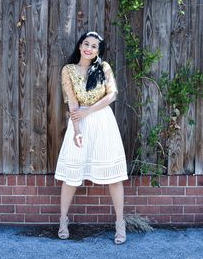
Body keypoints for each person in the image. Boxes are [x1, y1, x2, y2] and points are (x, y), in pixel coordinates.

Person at [54, 31, 128, 245]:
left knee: (113, 177)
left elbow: (112, 95)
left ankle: (120, 224)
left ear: (98, 51)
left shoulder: (103, 68)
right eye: (86, 43)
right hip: (80, 123)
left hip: (103, 122)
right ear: (79, 46)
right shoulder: (68, 70)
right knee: (72, 174)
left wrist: (89, 111)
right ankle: (63, 221)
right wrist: (77, 130)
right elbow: (72, 103)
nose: (89, 48)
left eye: (94, 46)